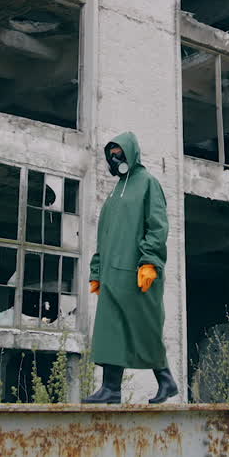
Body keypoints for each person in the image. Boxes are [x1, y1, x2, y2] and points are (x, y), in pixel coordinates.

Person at [83, 131, 177, 404]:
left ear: (131, 153)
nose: (115, 160)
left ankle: (166, 380)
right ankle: (111, 388)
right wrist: (97, 272)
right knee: (112, 330)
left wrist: (150, 262)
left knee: (144, 325)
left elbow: (157, 226)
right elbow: (104, 236)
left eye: (119, 154)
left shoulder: (148, 183)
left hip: (137, 273)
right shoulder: (114, 193)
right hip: (112, 275)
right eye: (111, 156)